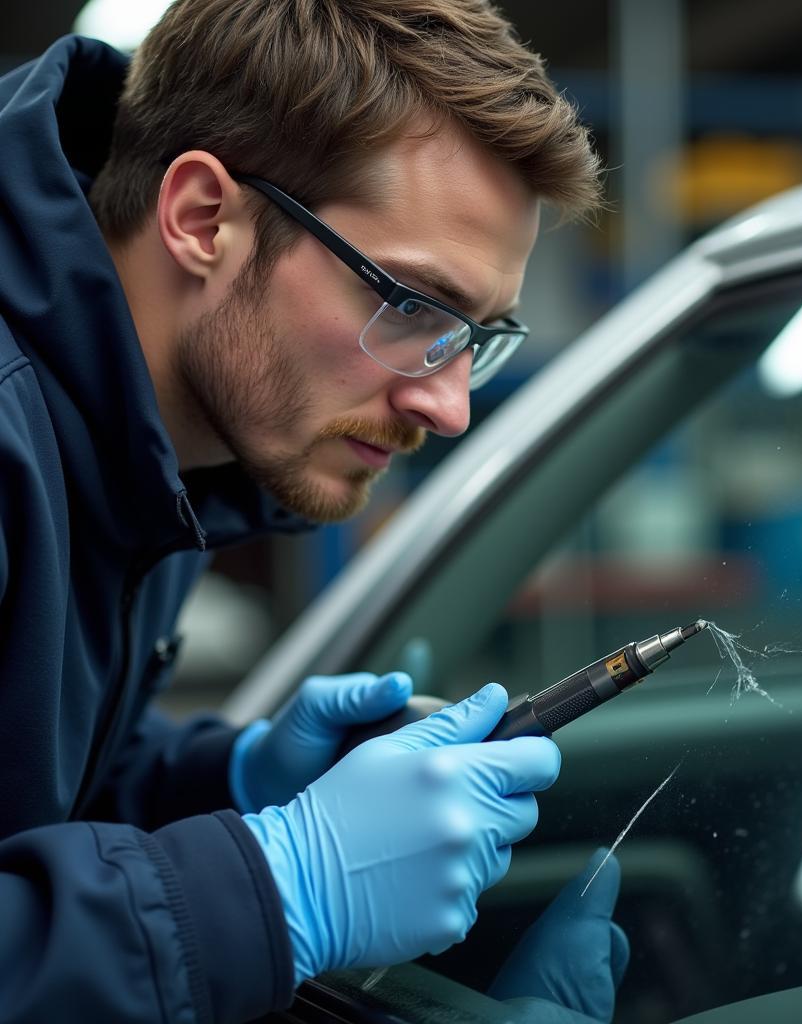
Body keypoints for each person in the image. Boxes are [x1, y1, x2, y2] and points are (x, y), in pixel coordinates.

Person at [0, 1, 627, 1021]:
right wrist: (277, 885)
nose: (450, 404)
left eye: (478, 334)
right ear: (203, 217)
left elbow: (37, 791)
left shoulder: (155, 442)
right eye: (411, 305)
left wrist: (229, 785)